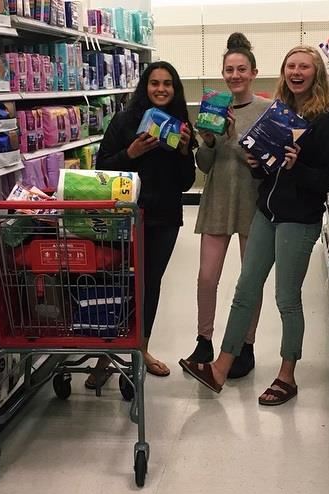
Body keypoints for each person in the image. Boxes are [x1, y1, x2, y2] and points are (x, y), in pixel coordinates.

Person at [180, 45, 329, 406]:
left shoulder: (324, 119)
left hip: (298, 220)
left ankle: (287, 375)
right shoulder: (280, 111)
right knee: (245, 290)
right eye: (291, 66)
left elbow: (327, 179)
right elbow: (269, 170)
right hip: (266, 213)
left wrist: (296, 165)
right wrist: (256, 162)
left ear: (316, 74)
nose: (296, 72)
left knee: (287, 298)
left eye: (304, 66)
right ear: (284, 72)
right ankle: (220, 367)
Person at [87, 61, 196, 387]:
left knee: (149, 285)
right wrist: (131, 152)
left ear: (174, 89)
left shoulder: (179, 125)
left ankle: (141, 350)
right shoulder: (124, 121)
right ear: (145, 87)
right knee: (119, 284)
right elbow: (101, 168)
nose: (161, 89)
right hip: (123, 219)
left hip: (164, 218)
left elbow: (187, 182)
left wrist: (185, 150)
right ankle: (105, 356)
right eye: (155, 83)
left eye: (167, 84)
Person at [181, 32, 272, 379]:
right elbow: (205, 164)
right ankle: (204, 341)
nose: (235, 76)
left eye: (241, 69)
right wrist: (205, 142)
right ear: (223, 74)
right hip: (217, 199)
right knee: (207, 277)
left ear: (252, 72)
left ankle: (245, 346)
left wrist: (235, 139)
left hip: (253, 201)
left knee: (250, 281)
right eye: (229, 70)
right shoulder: (212, 108)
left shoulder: (266, 110)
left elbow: (268, 162)